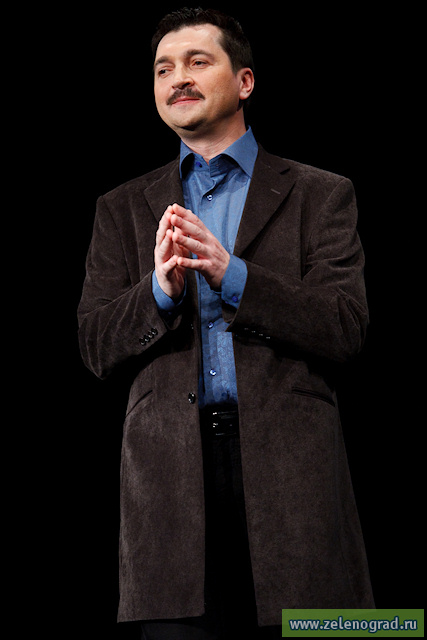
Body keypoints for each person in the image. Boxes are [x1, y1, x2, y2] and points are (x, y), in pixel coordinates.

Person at [78, 7, 375, 639]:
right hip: (168, 488)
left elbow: (345, 327)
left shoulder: (321, 193)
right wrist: (158, 292)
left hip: (293, 480)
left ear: (244, 81)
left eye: (197, 62)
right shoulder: (121, 208)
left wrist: (232, 275)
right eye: (163, 69)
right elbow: (96, 346)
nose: (177, 79)